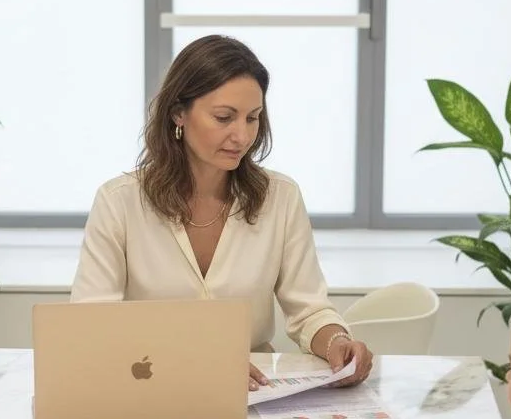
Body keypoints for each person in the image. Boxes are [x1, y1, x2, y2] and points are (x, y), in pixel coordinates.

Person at [71, 34, 373, 389]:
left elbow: (309, 309)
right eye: (224, 117)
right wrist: (197, 361)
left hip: (253, 395)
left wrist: (338, 341)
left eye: (253, 118)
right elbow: (92, 322)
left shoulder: (281, 198)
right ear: (178, 114)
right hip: (152, 389)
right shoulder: (119, 202)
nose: (242, 136)